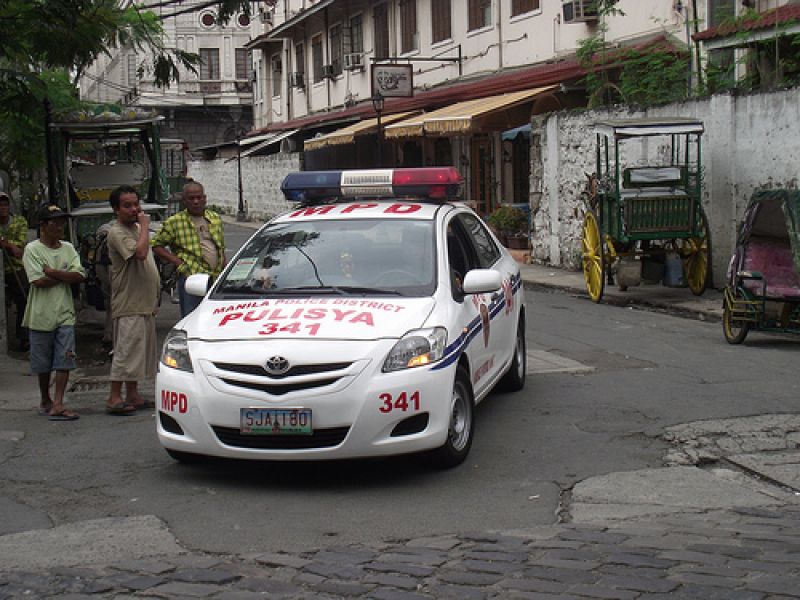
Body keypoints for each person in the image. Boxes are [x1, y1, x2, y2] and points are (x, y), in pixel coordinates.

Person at [22, 204, 85, 421]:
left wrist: (53, 272)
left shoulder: (68, 248)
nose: (59, 226)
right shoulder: (32, 249)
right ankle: (45, 399)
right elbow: (37, 280)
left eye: (61, 222)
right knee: (42, 363)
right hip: (40, 314)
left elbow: (80, 275)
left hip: (64, 313)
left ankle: (58, 403)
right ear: (43, 225)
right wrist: (65, 275)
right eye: (54, 222)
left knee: (65, 358)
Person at [105, 186, 160, 415]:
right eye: (127, 205)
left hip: (144, 302)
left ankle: (133, 394)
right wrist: (146, 226)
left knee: (140, 351)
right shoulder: (117, 232)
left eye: (136, 204)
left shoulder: (137, 228)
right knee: (126, 351)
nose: (134, 209)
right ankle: (114, 397)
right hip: (129, 303)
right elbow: (139, 253)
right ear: (116, 209)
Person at [151, 181, 225, 317]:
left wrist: (226, 272)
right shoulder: (175, 222)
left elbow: (220, 247)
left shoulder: (215, 218)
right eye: (191, 198)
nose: (196, 201)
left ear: (205, 198)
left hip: (215, 278)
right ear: (184, 201)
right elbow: (156, 245)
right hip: (192, 277)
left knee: (215, 316)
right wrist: (179, 263)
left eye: (199, 197)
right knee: (193, 318)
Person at [0, 192, 29, 351]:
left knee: (25, 297)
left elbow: (19, 248)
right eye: (0, 205)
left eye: (5, 205)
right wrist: (9, 245)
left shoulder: (19, 222)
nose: (2, 208)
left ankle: (24, 337)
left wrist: (7, 244)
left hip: (15, 266)